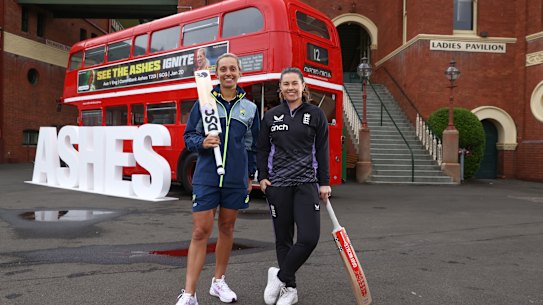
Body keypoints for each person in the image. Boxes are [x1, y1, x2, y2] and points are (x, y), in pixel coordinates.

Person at [175, 53, 260, 305]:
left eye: (232, 68)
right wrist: (202, 142)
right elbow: (189, 136)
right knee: (201, 230)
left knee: (227, 228)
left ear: (239, 72)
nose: (228, 73)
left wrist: (249, 174)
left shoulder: (250, 108)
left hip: (234, 177)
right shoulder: (205, 102)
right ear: (217, 73)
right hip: (206, 176)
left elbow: (251, 145)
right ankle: (189, 293)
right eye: (223, 69)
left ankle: (218, 281)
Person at [257, 67, 331, 305]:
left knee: (309, 238)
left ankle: (278, 276)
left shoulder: (316, 114)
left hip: (306, 184)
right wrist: (263, 177)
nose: (290, 88)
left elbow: (322, 149)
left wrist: (325, 182)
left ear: (303, 86)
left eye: (294, 83)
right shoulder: (271, 116)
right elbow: (262, 149)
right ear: (280, 88)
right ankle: (290, 289)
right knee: (283, 239)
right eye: (285, 84)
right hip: (278, 186)